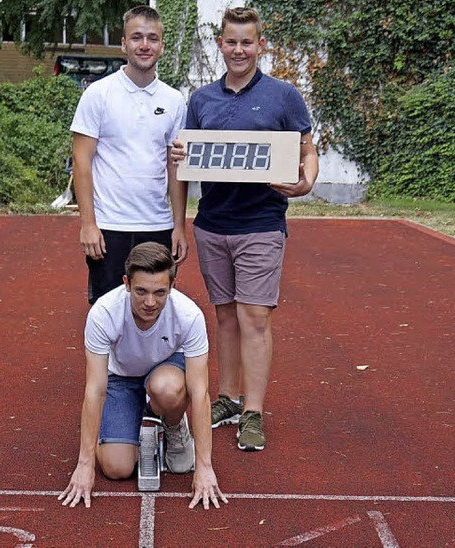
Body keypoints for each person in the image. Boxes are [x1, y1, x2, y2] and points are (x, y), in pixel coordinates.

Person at [171, 7, 319, 452]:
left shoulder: (284, 96)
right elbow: (181, 166)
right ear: (221, 45)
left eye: (247, 43)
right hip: (213, 224)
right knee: (224, 315)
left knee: (255, 317)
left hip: (261, 223)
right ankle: (228, 398)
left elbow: (307, 151)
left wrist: (305, 181)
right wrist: (180, 223)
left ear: (260, 45)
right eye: (231, 42)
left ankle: (253, 411)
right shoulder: (201, 100)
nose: (239, 50)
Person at [58, 242, 227, 510]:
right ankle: (133, 424)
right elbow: (95, 390)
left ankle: (172, 423)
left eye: (160, 292)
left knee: (168, 389)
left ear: (172, 286)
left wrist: (205, 467)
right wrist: (85, 464)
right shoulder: (103, 313)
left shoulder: (189, 315)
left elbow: (200, 393)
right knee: (116, 468)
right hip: (121, 378)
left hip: (165, 372)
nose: (150, 302)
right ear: (126, 283)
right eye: (141, 291)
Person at [70, 5, 188, 305]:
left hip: (157, 226)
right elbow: (82, 162)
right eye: (136, 37)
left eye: (152, 38)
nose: (144, 45)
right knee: (107, 315)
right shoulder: (98, 94)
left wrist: (178, 226)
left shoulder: (174, 101)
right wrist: (88, 223)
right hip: (109, 227)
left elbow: (174, 168)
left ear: (161, 44)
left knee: (154, 312)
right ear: (123, 44)